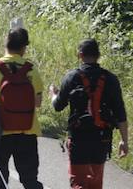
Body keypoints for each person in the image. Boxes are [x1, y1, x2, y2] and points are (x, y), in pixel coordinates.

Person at [50, 39, 128, 189]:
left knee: (78, 182)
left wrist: (53, 94)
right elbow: (120, 113)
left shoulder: (71, 77)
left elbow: (58, 105)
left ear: (80, 55)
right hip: (101, 138)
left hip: (79, 138)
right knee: (95, 183)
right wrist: (124, 141)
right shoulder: (111, 79)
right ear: (98, 55)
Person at [0, 28, 44, 189]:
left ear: (5, 44)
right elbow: (38, 102)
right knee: (29, 179)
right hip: (27, 131)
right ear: (24, 48)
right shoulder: (32, 70)